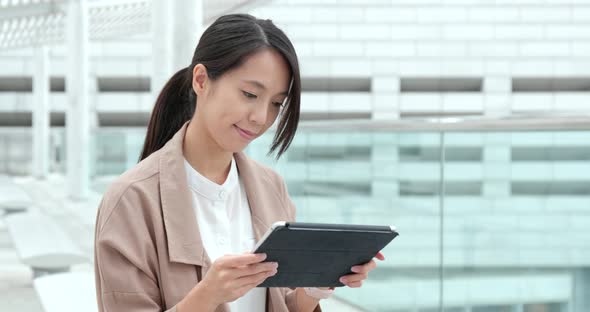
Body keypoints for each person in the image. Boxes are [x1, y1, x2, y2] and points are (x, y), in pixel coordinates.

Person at [94, 13, 384, 312]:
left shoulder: (271, 187)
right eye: (249, 94)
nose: (261, 117)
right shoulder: (130, 200)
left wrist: (317, 285)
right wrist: (207, 295)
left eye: (275, 104)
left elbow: (282, 304)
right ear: (201, 80)